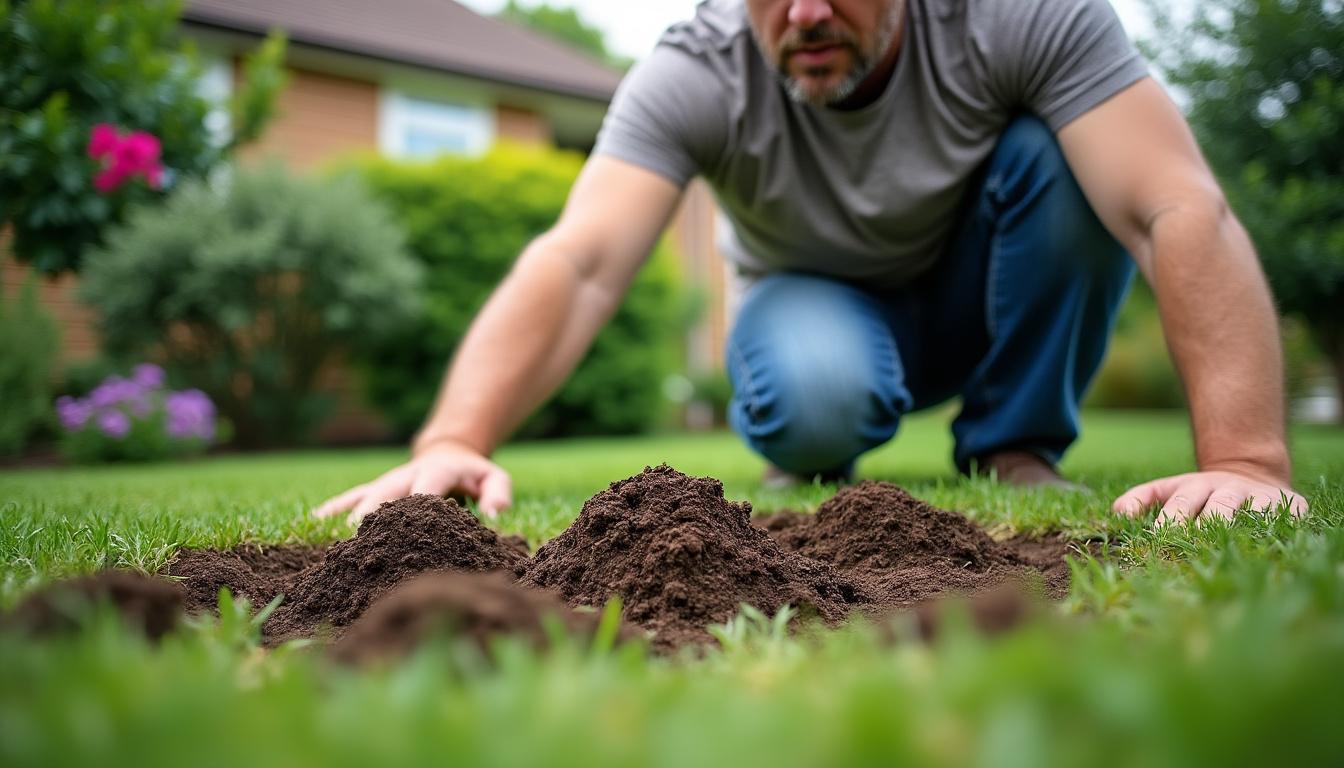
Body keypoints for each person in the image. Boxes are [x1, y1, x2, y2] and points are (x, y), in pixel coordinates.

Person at [315, 0, 1309, 527]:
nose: (804, 13)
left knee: (1072, 158)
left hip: (985, 287)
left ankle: (1014, 447)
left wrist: (1245, 462)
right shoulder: (695, 70)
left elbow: (1171, 202)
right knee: (819, 393)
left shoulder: (1021, 16)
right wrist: (454, 435)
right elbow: (579, 262)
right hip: (813, 303)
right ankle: (808, 449)